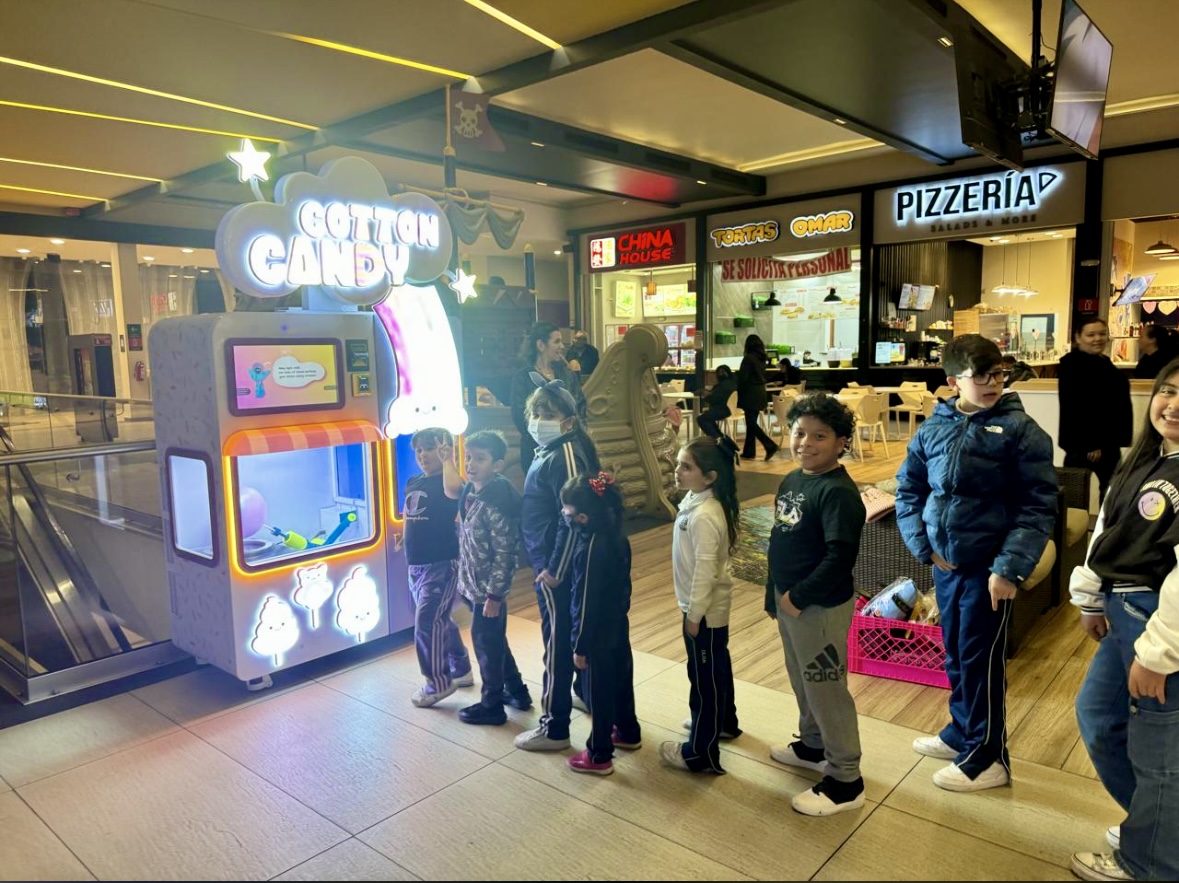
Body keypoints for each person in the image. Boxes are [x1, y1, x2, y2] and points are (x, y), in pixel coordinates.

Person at [895, 334, 1057, 792]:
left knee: (981, 660)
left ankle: (988, 757)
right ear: (952, 381)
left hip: (991, 570)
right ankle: (963, 732)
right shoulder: (933, 428)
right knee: (956, 653)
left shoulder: (1021, 431)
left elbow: (1038, 505)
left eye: (998, 374)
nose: (991, 383)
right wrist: (923, 547)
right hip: (946, 566)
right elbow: (910, 490)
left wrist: (1008, 569)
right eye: (980, 375)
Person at [1068, 359, 1179, 883]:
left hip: (1158, 621)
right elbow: (1105, 531)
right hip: (1123, 608)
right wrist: (1091, 598)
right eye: (1169, 391)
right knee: (1098, 718)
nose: (1173, 406)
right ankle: (1153, 828)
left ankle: (1151, 860)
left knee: (1158, 751)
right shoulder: (1147, 458)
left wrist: (1158, 654)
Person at [765, 394, 867, 816]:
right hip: (789, 601)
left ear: (841, 442)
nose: (805, 442)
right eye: (799, 432)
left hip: (818, 607)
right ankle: (812, 745)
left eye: (819, 436)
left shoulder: (839, 493)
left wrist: (799, 596)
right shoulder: (794, 479)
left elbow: (839, 557)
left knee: (826, 689)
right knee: (801, 677)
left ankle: (846, 778)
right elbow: (778, 539)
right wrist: (774, 592)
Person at [514, 378, 601, 752]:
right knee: (567, 636)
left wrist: (555, 571)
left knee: (557, 643)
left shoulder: (563, 455)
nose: (538, 420)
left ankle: (554, 727)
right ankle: (584, 693)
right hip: (548, 563)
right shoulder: (550, 451)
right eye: (535, 413)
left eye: (547, 414)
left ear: (568, 420)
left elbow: (573, 519)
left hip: (554, 569)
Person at [660, 436, 742, 774]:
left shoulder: (706, 513)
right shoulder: (696, 500)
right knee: (715, 666)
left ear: (710, 477)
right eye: (679, 463)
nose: (677, 471)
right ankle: (724, 721)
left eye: (686, 466)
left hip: (704, 611)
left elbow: (706, 570)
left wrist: (694, 615)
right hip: (702, 608)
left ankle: (701, 752)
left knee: (703, 679)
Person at [440, 431, 533, 725]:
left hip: (488, 592)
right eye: (469, 457)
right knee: (494, 641)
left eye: (480, 459)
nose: (471, 464)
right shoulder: (472, 491)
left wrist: (495, 596)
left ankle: (492, 705)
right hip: (473, 585)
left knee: (486, 647)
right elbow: (452, 489)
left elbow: (507, 554)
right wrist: (448, 461)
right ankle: (517, 692)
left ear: (498, 464)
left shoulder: (498, 501)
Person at [560, 471, 642, 775]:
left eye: (567, 509)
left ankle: (598, 754)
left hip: (595, 633)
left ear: (582, 517)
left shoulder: (592, 546)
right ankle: (628, 731)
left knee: (599, 691)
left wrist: (579, 645)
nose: (564, 514)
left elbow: (584, 599)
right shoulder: (617, 536)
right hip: (618, 624)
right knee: (621, 681)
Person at [403, 428, 473, 708]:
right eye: (418, 450)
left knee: (427, 623)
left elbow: (455, 490)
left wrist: (448, 461)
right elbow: (411, 515)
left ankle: (438, 682)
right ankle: (462, 668)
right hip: (416, 564)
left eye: (429, 449)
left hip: (441, 563)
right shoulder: (413, 481)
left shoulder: (448, 482)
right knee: (439, 619)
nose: (422, 455)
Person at [1058, 318, 1133, 502]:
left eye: (1101, 333)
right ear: (1078, 337)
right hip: (1088, 445)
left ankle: (1104, 530)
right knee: (1075, 495)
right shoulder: (1074, 365)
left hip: (1107, 442)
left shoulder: (1102, 361)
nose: (1097, 339)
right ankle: (1071, 529)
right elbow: (1077, 406)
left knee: (1112, 492)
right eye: (1091, 335)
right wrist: (1090, 443)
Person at [510, 323, 587, 476]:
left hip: (567, 448)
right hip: (534, 450)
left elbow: (580, 406)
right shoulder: (523, 377)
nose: (562, 346)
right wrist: (545, 434)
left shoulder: (566, 374)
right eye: (557, 341)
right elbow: (520, 415)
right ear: (540, 345)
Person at [737, 333, 779, 461]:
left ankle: (770, 445)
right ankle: (749, 451)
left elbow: (743, 378)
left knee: (751, 423)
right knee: (751, 423)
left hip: (750, 394)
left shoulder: (748, 359)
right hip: (760, 392)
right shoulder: (761, 359)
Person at [697, 364, 739, 451]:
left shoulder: (723, 385)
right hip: (734, 410)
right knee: (708, 417)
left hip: (724, 410)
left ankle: (719, 440)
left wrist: (705, 395)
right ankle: (722, 440)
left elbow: (714, 399)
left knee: (702, 419)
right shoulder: (733, 383)